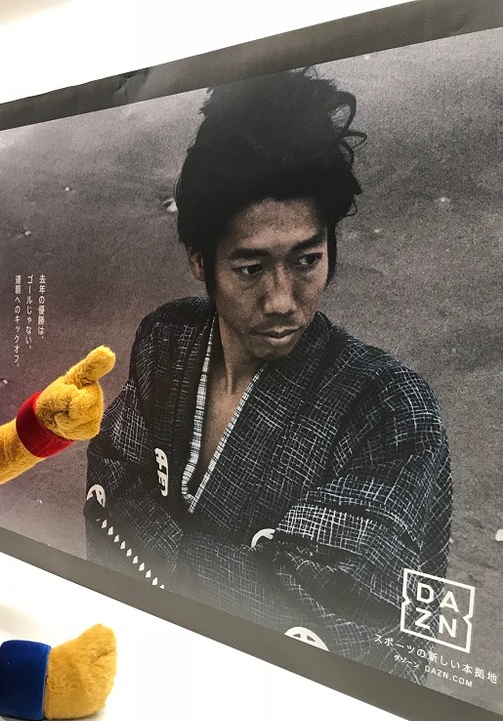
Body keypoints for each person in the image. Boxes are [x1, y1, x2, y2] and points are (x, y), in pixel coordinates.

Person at [84, 68, 452, 681]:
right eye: (250, 268)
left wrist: (159, 537)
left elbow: (344, 612)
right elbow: (107, 487)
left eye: (307, 260)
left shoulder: (387, 411)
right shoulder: (168, 341)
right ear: (200, 261)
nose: (282, 300)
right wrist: (250, 564)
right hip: (139, 667)